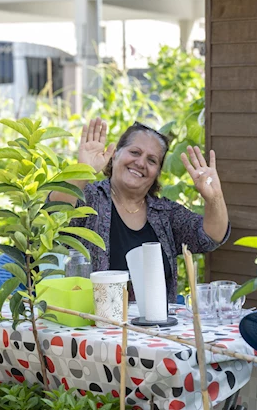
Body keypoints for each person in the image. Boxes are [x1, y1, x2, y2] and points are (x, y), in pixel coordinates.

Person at [49, 117, 230, 303]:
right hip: (91, 323)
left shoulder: (165, 213)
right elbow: (52, 214)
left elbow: (210, 237)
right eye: (135, 152)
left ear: (157, 173)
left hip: (154, 329)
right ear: (115, 154)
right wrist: (82, 170)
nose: (141, 163)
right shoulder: (90, 197)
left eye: (152, 160)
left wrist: (214, 197)